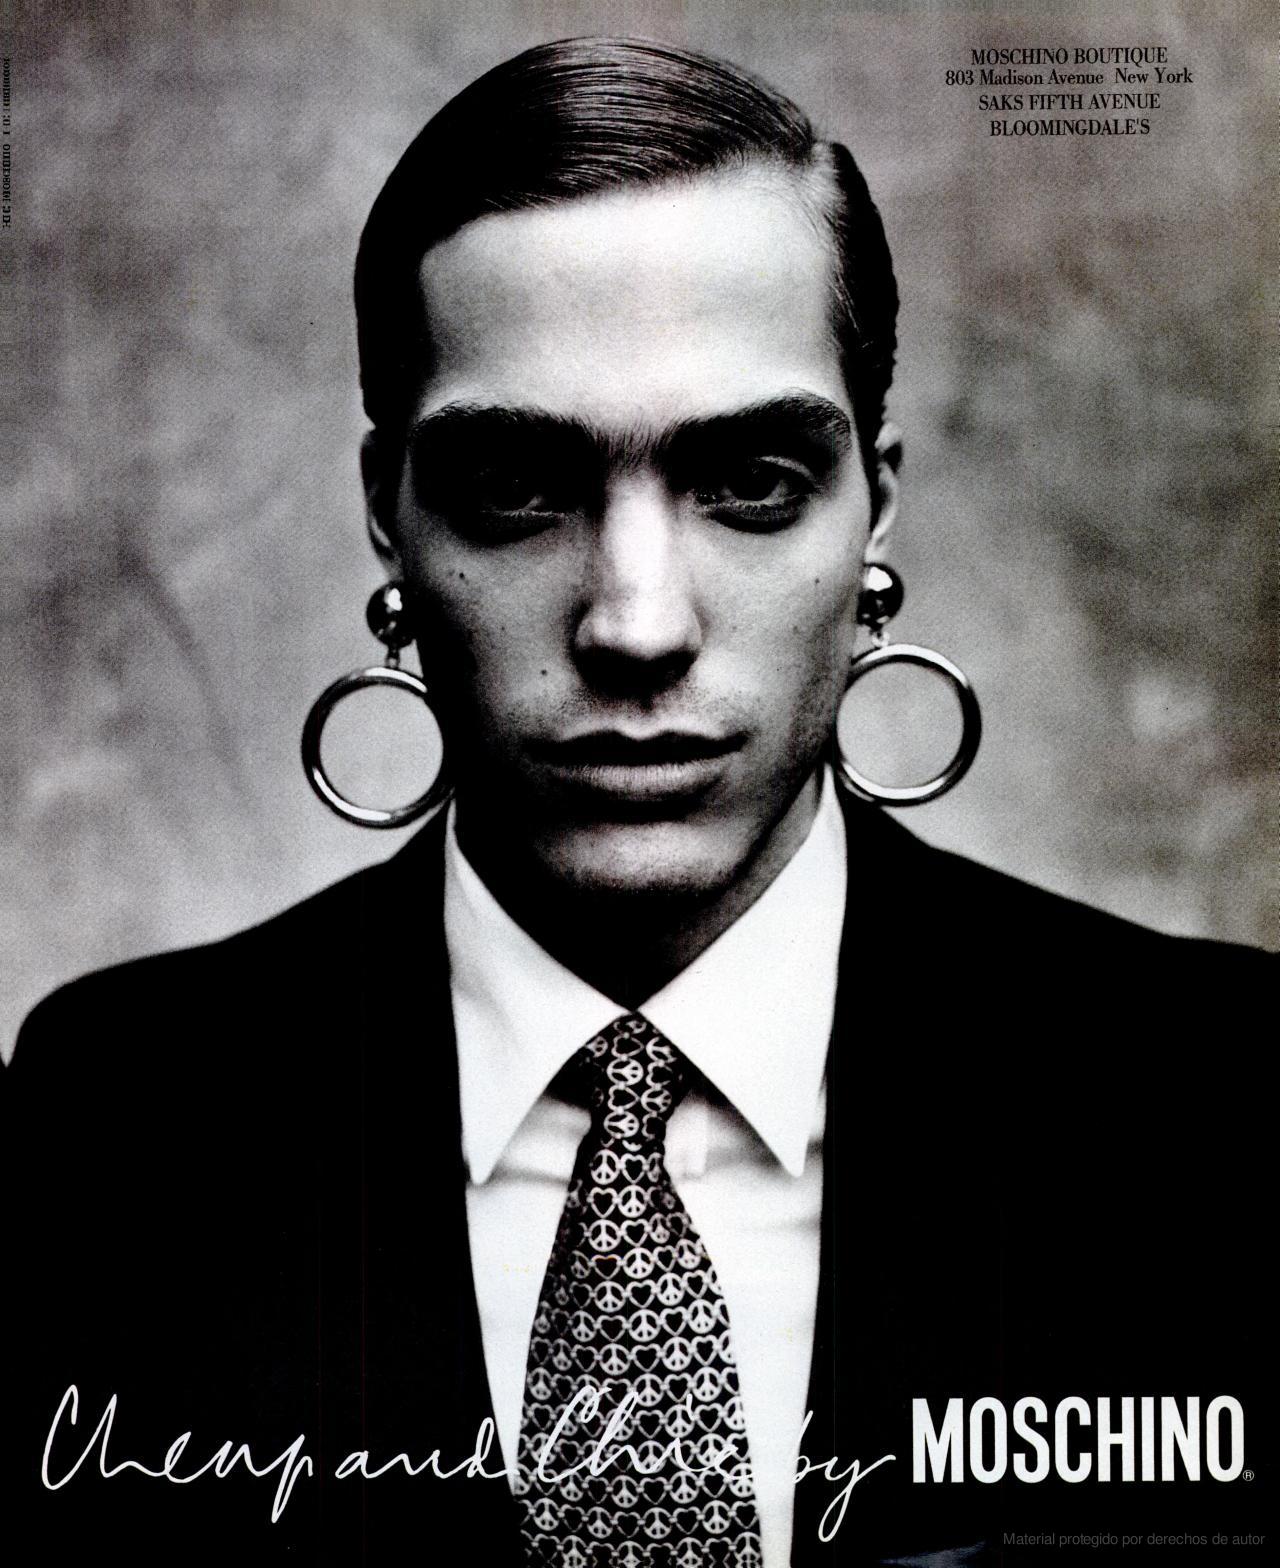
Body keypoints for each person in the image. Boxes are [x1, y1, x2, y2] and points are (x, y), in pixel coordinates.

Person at [5, 37, 1270, 1568]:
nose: (637, 623)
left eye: (752, 481)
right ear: (388, 513)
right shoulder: (116, 1126)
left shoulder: (1224, 1105)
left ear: (875, 507)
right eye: (515, 489)